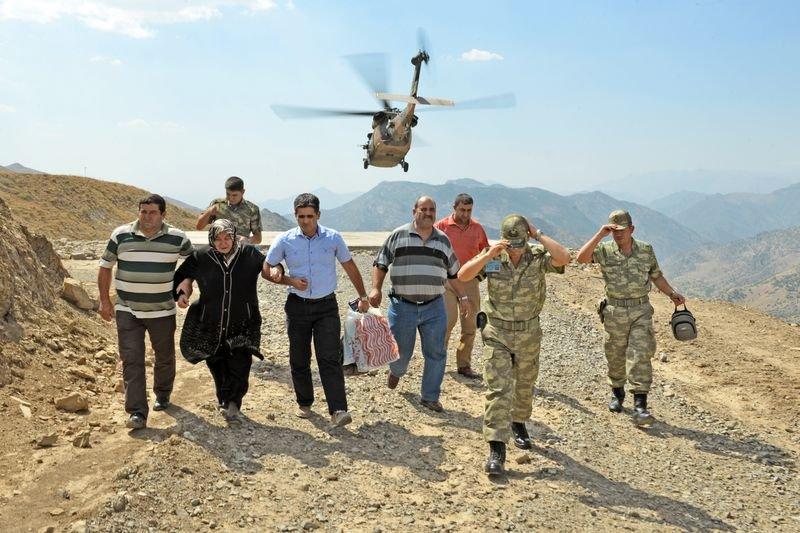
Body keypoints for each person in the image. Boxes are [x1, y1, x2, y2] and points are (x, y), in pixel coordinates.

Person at [458, 214, 569, 476]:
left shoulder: (539, 257)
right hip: (498, 332)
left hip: (529, 333)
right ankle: (497, 449)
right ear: (505, 241)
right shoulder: (493, 257)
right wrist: (488, 255)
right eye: (512, 245)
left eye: (521, 244)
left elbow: (564, 258)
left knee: (525, 383)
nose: (516, 250)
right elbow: (463, 275)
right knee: (498, 388)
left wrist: (538, 233)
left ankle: (519, 422)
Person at [264, 193, 370, 428]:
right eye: (301, 216)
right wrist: (287, 280)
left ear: (318, 215)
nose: (305, 221)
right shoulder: (284, 240)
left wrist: (363, 295)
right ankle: (305, 402)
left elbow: (349, 266)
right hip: (297, 306)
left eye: (310, 216)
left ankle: (338, 409)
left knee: (329, 356)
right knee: (299, 356)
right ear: (295, 216)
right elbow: (267, 268)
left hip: (326, 307)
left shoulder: (333, 238)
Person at [576, 210, 685, 426]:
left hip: (640, 310)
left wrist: (672, 294)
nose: (618, 235)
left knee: (640, 354)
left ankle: (640, 405)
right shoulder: (605, 250)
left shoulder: (645, 250)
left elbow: (656, 276)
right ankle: (617, 393)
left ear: (631, 229)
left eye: (621, 230)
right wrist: (600, 235)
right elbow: (581, 259)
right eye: (613, 230)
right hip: (614, 311)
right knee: (615, 355)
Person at [97, 194, 193, 430]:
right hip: (127, 309)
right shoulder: (120, 235)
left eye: (152, 212)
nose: (147, 217)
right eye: (143, 211)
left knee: (164, 356)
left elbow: (193, 264)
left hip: (162, 311)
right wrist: (104, 301)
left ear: (163, 215)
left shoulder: (178, 238)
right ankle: (137, 412)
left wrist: (185, 287)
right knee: (131, 359)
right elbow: (105, 266)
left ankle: (163, 393)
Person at [369, 196, 470, 413]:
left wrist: (463, 297)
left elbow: (453, 273)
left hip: (434, 306)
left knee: (436, 352)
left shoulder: (443, 240)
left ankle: (429, 397)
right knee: (400, 353)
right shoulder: (398, 235)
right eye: (423, 209)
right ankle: (396, 371)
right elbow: (381, 263)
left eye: (431, 209)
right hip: (402, 306)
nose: (428, 213)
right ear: (414, 210)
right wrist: (376, 288)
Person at [173, 219, 268, 421]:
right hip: (211, 322)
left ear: (234, 237)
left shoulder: (249, 254)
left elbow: (268, 266)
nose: (223, 243)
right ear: (212, 239)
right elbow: (182, 274)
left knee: (241, 362)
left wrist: (280, 273)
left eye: (227, 238)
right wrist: (181, 293)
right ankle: (224, 399)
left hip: (244, 321)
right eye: (218, 239)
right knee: (217, 363)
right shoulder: (202, 256)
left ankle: (233, 401)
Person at [434, 193, 490, 379]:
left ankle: (464, 365)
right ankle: (437, 363)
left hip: (470, 282)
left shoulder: (478, 229)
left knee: (471, 325)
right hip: (447, 282)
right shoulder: (441, 227)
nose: (465, 214)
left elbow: (485, 253)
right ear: (454, 208)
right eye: (462, 210)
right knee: (447, 322)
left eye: (469, 210)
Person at [196, 176, 263, 244]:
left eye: (234, 195)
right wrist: (208, 212)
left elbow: (258, 238)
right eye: (228, 194)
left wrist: (247, 240)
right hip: (218, 249)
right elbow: (199, 227)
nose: (230, 198)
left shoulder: (252, 209)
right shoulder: (217, 204)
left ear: (243, 192)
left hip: (241, 250)